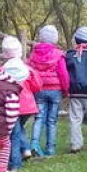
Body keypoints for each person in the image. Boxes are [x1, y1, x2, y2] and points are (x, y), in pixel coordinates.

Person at [1, 36, 42, 172]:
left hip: (12, 106)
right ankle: (26, 149)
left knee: (14, 135)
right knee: (18, 129)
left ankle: (15, 164)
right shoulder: (27, 69)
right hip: (28, 106)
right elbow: (37, 85)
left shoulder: (2, 70)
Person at [27, 25, 69, 157]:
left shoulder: (34, 54)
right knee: (52, 120)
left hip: (39, 89)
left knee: (38, 117)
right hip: (55, 90)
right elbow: (63, 74)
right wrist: (66, 90)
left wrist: (31, 87)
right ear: (54, 39)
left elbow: (29, 71)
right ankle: (50, 148)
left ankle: (34, 144)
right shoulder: (58, 54)